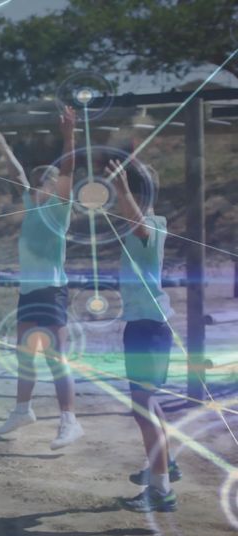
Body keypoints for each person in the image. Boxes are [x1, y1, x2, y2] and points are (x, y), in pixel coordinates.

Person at [0, 106, 85, 450]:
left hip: (51, 292)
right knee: (25, 357)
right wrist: (2, 146)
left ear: (54, 186)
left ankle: (69, 421)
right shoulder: (32, 205)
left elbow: (69, 167)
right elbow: (17, 175)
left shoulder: (58, 209)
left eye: (44, 178)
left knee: (55, 359)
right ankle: (22, 410)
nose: (35, 183)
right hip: (29, 292)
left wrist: (69, 136)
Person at [106, 159, 180, 512]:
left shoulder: (149, 226)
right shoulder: (143, 222)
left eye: (123, 194)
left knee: (143, 408)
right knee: (148, 406)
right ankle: (164, 465)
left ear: (136, 195)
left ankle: (162, 490)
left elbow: (139, 226)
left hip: (149, 329)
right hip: (145, 327)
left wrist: (121, 190)